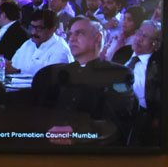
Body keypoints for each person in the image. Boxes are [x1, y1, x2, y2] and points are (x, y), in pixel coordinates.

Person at [31, 17, 137, 145]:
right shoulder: (52, 74)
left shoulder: (116, 74)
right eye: (70, 34)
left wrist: (76, 134)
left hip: (92, 149)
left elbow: (116, 122)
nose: (71, 39)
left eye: (79, 33)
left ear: (97, 38)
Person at [122, 20, 162, 145]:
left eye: (145, 36)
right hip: (117, 109)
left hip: (143, 118)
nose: (139, 38)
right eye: (139, 33)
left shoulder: (159, 66)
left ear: (155, 44)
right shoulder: (122, 53)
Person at [8, 9, 73, 82]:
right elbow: (13, 65)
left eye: (39, 28)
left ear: (53, 29)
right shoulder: (28, 44)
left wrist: (18, 71)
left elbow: (50, 79)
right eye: (32, 27)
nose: (33, 32)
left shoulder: (61, 50)